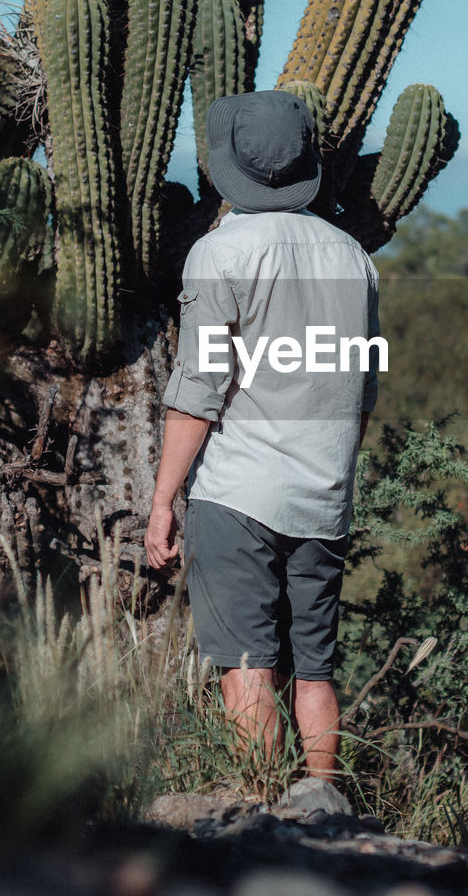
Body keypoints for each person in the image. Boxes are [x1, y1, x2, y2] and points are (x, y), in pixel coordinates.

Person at [145, 89, 380, 788]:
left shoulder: (221, 253)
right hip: (324, 496)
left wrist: (163, 502)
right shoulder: (354, 259)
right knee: (314, 669)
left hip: (240, 494)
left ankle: (262, 815)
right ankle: (323, 809)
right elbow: (362, 393)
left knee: (247, 666)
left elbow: (198, 392)